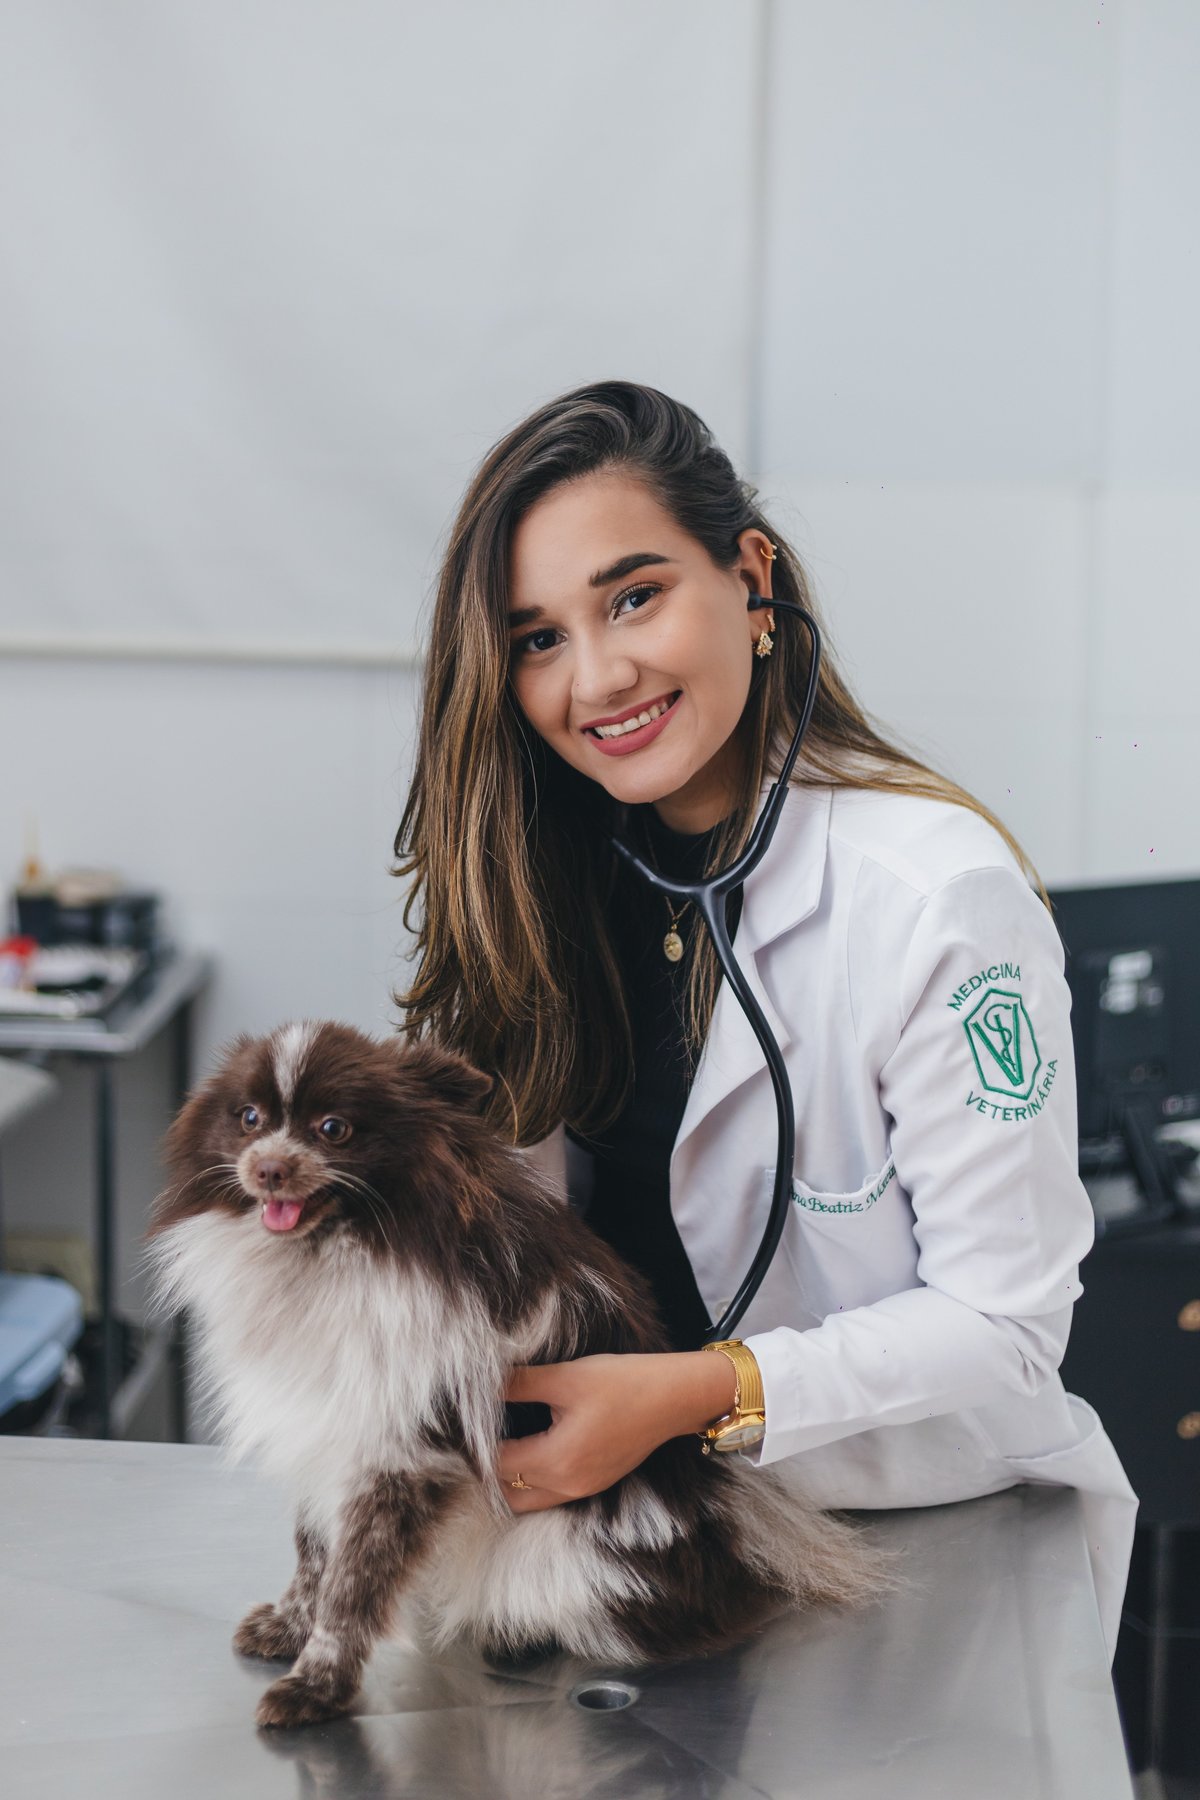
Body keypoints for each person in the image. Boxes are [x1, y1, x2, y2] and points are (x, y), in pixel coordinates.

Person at [393, 379, 1136, 1657]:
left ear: (750, 575)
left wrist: (699, 1395)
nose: (599, 675)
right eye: (537, 638)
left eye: (634, 596)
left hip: (906, 1538)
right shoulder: (541, 881)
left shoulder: (934, 897)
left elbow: (1008, 1323)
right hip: (620, 1538)